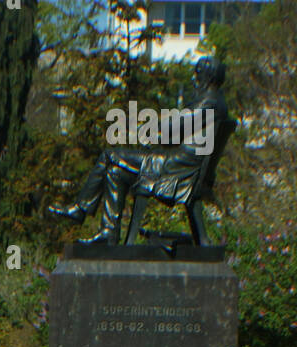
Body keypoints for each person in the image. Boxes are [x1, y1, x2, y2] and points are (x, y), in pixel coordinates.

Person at [47, 57, 229, 245]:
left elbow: (174, 129)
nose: (194, 79)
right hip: (180, 162)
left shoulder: (209, 102)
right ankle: (108, 232)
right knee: (115, 171)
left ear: (208, 77)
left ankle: (80, 209)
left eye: (197, 75)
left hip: (175, 166)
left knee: (110, 155)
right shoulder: (215, 101)